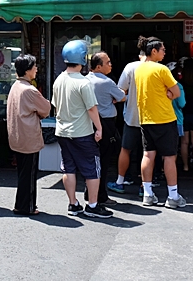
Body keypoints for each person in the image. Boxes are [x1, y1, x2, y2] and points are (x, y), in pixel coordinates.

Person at [51, 40, 113, 219]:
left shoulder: (59, 80)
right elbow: (92, 109)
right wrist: (99, 128)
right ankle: (92, 206)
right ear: (82, 58)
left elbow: (55, 105)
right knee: (92, 169)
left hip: (62, 132)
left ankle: (73, 204)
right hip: (83, 133)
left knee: (68, 169)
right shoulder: (83, 82)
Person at [134, 36, 184, 208]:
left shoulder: (138, 69)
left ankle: (147, 194)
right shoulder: (161, 69)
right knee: (169, 157)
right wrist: (169, 94)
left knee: (148, 154)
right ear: (154, 51)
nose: (164, 52)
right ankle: (173, 196)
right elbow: (176, 92)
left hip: (146, 118)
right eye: (162, 49)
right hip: (165, 118)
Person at [6, 54, 51, 215]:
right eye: (34, 66)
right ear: (27, 70)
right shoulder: (30, 90)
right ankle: (27, 206)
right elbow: (46, 109)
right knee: (29, 175)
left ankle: (21, 204)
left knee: (23, 173)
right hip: (28, 137)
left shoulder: (15, 86)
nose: (36, 69)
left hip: (17, 136)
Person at [86, 52, 126, 206]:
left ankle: (90, 192)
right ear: (98, 67)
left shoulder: (85, 80)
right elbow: (122, 96)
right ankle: (100, 196)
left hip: (89, 122)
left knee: (92, 159)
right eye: (107, 62)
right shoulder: (106, 82)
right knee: (104, 160)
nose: (110, 65)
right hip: (106, 123)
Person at [107, 48, 147, 196]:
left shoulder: (131, 67)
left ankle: (120, 181)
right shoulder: (159, 69)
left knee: (125, 149)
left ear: (139, 55)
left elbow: (120, 91)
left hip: (131, 116)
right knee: (148, 153)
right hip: (151, 118)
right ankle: (145, 187)